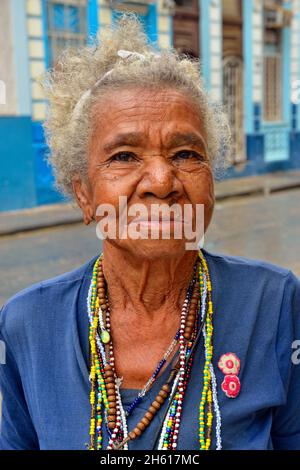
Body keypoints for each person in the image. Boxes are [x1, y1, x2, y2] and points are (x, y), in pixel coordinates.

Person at [0, 16, 300, 451]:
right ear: (83, 194)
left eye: (185, 153)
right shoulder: (27, 325)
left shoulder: (273, 304)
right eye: (123, 155)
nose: (161, 181)